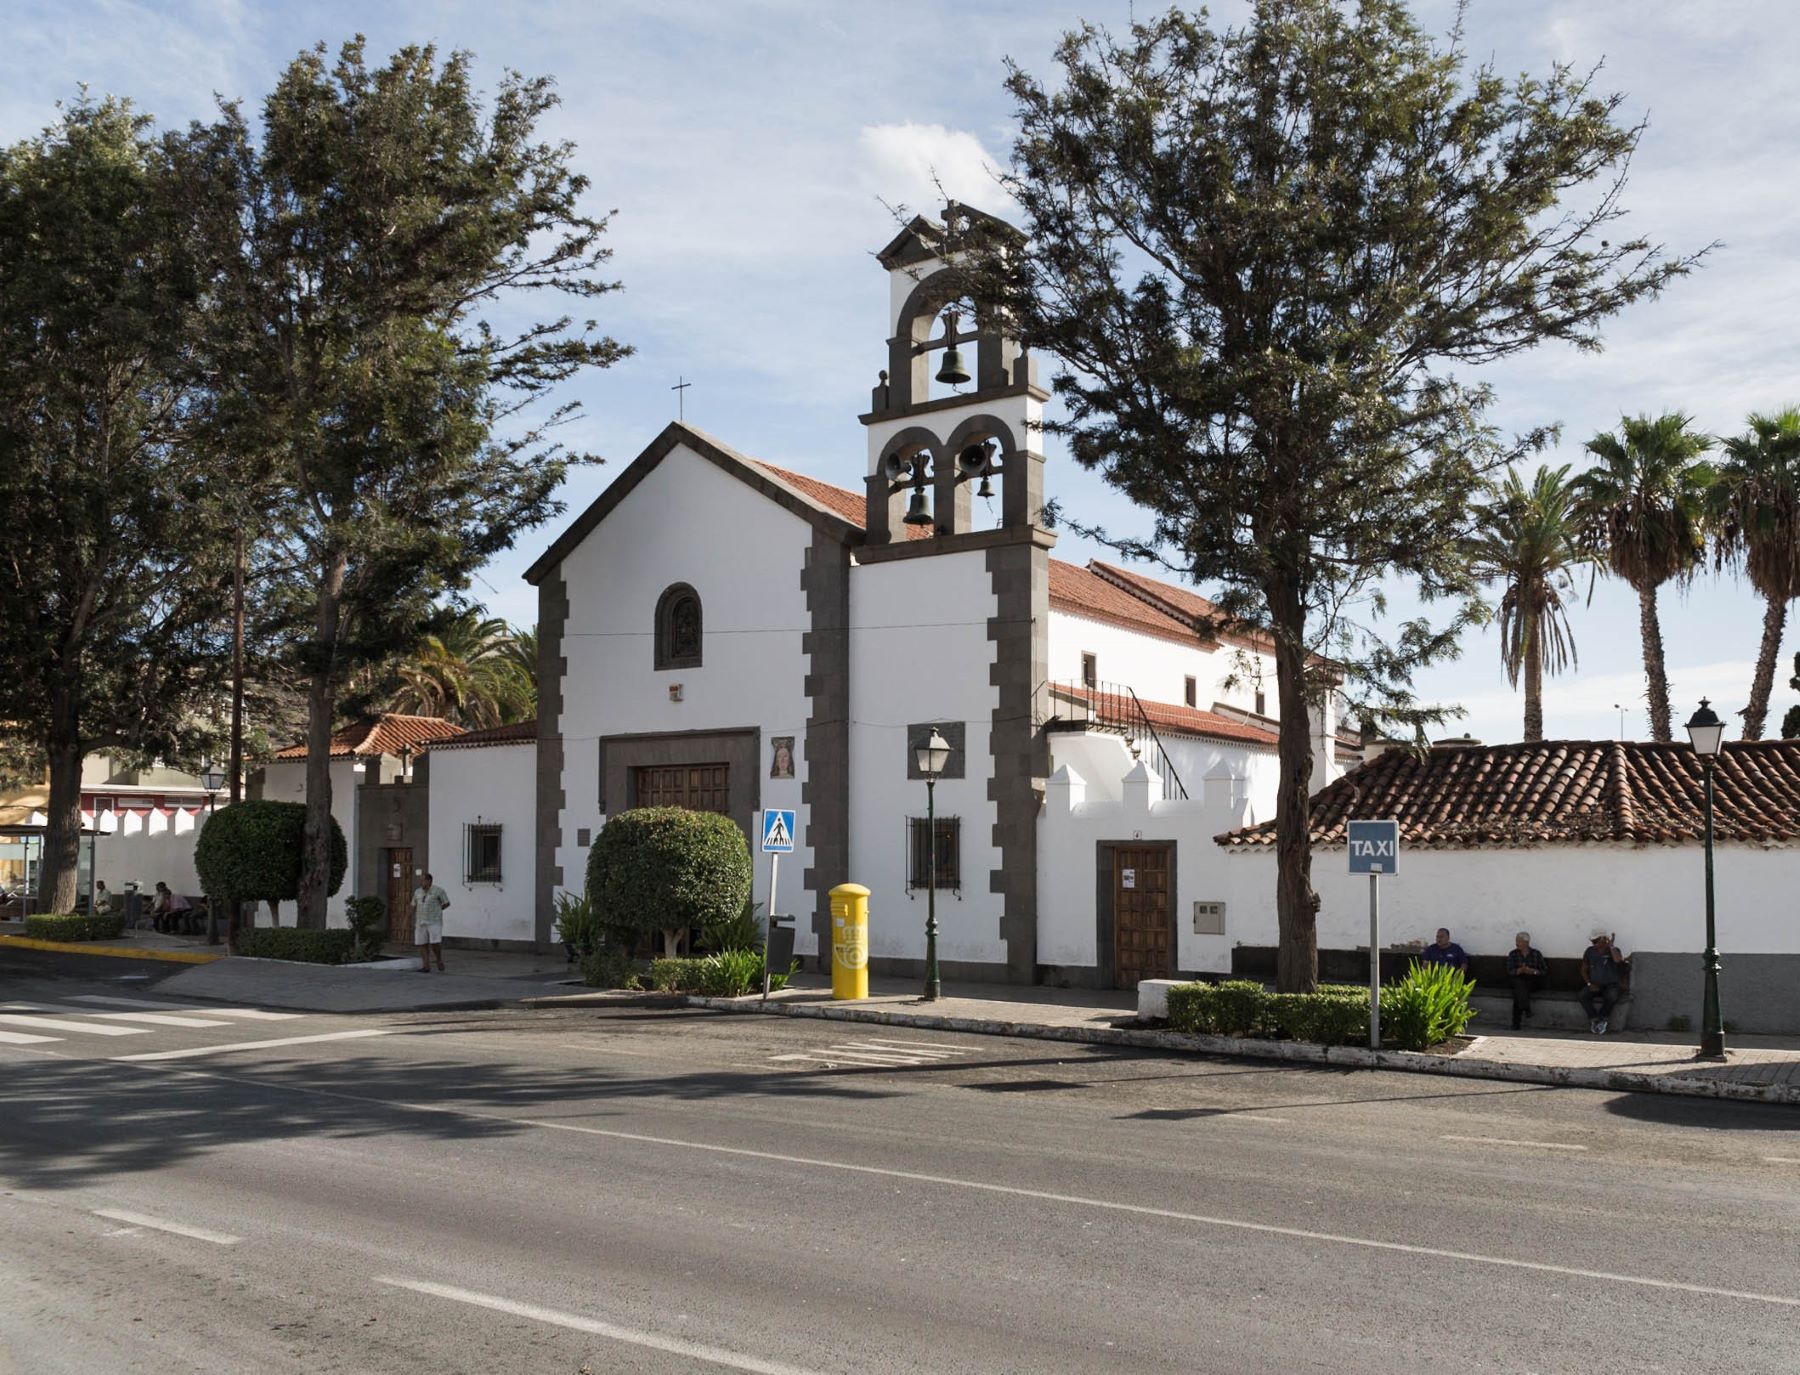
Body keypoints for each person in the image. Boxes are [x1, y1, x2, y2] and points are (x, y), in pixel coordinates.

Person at [1579, 928, 1630, 1035]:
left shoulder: (1614, 950)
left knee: (1611, 996)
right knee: (1583, 995)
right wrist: (1589, 983)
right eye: (1593, 941)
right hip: (1595, 984)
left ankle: (1603, 1019)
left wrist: (1611, 945)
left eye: (1596, 941)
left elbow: (1618, 960)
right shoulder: (1590, 951)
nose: (1593, 944)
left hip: (1611, 985)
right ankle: (1594, 1019)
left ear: (1604, 939)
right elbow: (1583, 969)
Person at [1506, 931, 1547, 1030]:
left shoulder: (1536, 954)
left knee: (1519, 992)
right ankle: (1526, 1009)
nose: (1516, 943)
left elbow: (1544, 971)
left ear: (1526, 942)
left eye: (1519, 941)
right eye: (1516, 941)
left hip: (1533, 981)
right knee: (1519, 987)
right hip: (1518, 979)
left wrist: (1533, 971)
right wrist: (1519, 970)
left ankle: (1517, 1022)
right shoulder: (1513, 954)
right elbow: (1509, 971)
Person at [411, 872, 450, 972]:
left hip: (434, 921)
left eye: (422, 880)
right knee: (422, 943)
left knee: (435, 943)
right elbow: (413, 905)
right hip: (420, 921)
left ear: (429, 881)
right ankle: (426, 966)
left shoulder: (438, 891)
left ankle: (439, 959)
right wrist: (407, 918)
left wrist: (437, 910)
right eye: (420, 880)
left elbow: (446, 903)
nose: (421, 882)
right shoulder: (417, 892)